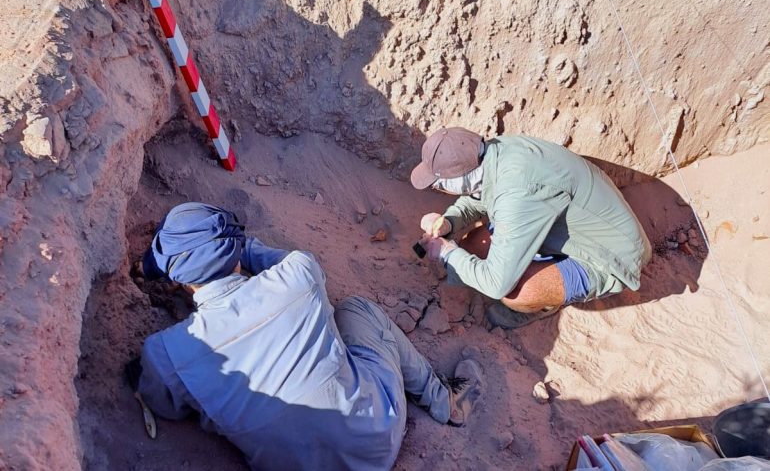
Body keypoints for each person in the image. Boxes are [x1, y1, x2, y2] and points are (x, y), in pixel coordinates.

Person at [126, 202, 483, 471]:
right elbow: (265, 256)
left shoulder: (167, 352)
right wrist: (237, 248)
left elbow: (163, 406)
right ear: (235, 251)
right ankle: (443, 402)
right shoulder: (299, 275)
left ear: (181, 281)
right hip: (376, 440)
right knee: (356, 310)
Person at [410, 127, 652, 329]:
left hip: (609, 257)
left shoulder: (517, 192)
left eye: (439, 185)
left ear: (460, 178)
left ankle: (544, 304)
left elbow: (497, 283)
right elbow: (479, 195)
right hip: (574, 227)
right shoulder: (495, 153)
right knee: (474, 245)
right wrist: (450, 221)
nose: (439, 189)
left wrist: (445, 253)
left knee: (516, 293)